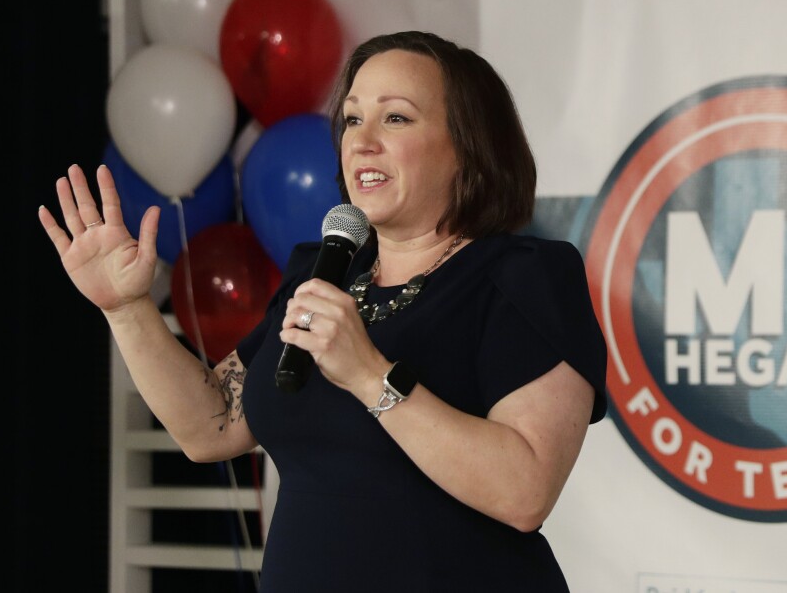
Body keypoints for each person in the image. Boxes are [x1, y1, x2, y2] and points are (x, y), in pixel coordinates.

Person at [39, 30, 607, 591]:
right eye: (353, 119)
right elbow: (213, 425)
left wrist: (368, 375)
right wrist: (127, 308)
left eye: (397, 118)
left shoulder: (525, 277)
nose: (362, 141)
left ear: (469, 145)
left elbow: (524, 494)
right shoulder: (326, 272)